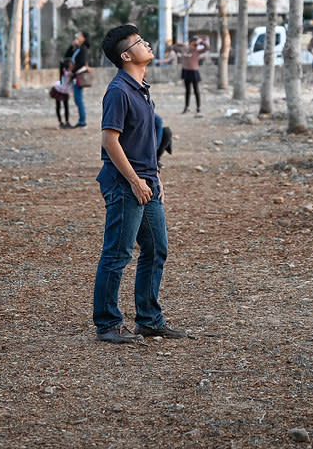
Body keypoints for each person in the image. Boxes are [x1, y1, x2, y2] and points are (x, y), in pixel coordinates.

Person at [92, 23, 187, 345]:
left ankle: (148, 320)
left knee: (156, 249)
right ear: (125, 55)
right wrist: (134, 181)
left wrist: (154, 174)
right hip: (124, 186)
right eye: (139, 42)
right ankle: (107, 323)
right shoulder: (119, 91)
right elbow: (110, 140)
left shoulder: (140, 87)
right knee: (117, 254)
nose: (147, 45)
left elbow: (143, 139)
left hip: (146, 182)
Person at [173, 35, 209, 114]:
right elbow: (174, 47)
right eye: (193, 44)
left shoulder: (197, 51)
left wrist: (201, 41)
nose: (194, 46)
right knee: (187, 91)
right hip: (186, 71)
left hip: (194, 72)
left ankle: (198, 108)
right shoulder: (184, 49)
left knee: (196, 90)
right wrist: (182, 44)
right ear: (190, 43)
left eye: (195, 44)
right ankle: (187, 107)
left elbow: (207, 47)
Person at [65, 30, 90, 127]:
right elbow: (67, 55)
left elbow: (81, 63)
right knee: (77, 98)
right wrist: (72, 45)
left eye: (79, 35)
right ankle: (81, 120)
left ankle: (82, 121)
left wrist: (72, 71)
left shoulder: (83, 49)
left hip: (78, 76)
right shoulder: (78, 48)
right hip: (76, 76)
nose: (77, 37)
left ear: (83, 38)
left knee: (78, 98)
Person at [50, 57, 73, 128]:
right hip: (59, 89)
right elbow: (69, 74)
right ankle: (60, 122)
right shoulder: (64, 71)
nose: (72, 64)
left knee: (66, 106)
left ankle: (67, 121)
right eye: (71, 63)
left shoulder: (70, 71)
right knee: (58, 106)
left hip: (65, 90)